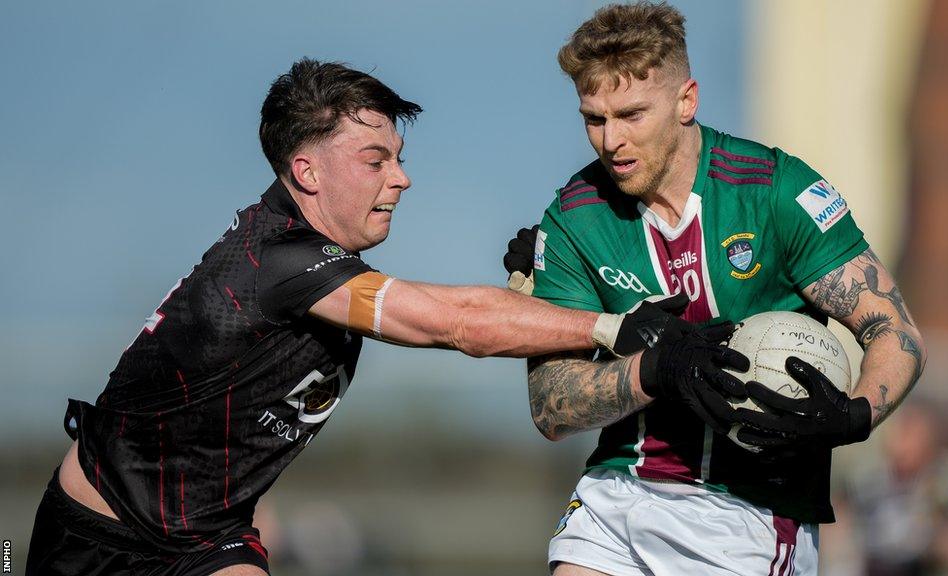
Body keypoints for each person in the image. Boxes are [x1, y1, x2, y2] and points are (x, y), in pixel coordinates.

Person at [25, 58, 746, 576]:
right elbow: (452, 324)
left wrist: (531, 289)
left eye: (398, 158)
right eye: (375, 159)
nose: (400, 177)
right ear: (308, 173)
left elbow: (458, 309)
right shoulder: (279, 263)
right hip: (97, 534)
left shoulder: (317, 266)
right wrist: (615, 329)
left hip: (206, 539)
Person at [502, 3, 927, 574]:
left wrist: (854, 417)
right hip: (617, 492)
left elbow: (895, 332)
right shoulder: (574, 218)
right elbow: (550, 406)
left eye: (631, 114)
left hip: (750, 513)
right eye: (594, 119)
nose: (611, 141)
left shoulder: (777, 192)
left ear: (687, 100)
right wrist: (656, 371)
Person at [841, 404, 948, 576]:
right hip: (874, 565)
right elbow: (840, 518)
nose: (901, 445)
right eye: (900, 435)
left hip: (918, 566)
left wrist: (939, 542)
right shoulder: (870, 478)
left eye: (910, 436)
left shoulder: (939, 482)